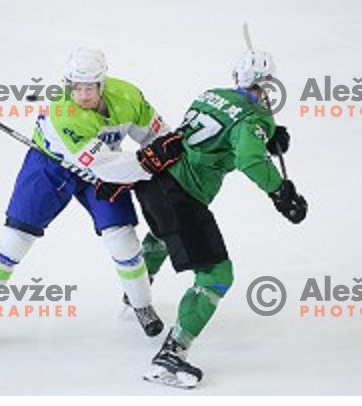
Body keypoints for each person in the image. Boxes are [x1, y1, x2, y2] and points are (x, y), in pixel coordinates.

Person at [0, 47, 183, 349]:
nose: (83, 94)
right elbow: (109, 165)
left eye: (90, 87)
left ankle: (141, 304)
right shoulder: (62, 113)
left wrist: (163, 152)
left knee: (123, 238)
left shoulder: (128, 97)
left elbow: (158, 137)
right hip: (51, 168)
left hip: (105, 168)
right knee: (14, 240)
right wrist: (146, 164)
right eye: (77, 87)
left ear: (103, 83)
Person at [132, 50, 308, 388]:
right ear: (265, 85)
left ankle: (136, 292)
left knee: (162, 235)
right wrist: (281, 191)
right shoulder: (254, 118)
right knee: (217, 274)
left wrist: (264, 135)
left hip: (154, 183)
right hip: (182, 195)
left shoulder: (211, 94)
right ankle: (171, 355)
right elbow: (250, 161)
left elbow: (221, 132)